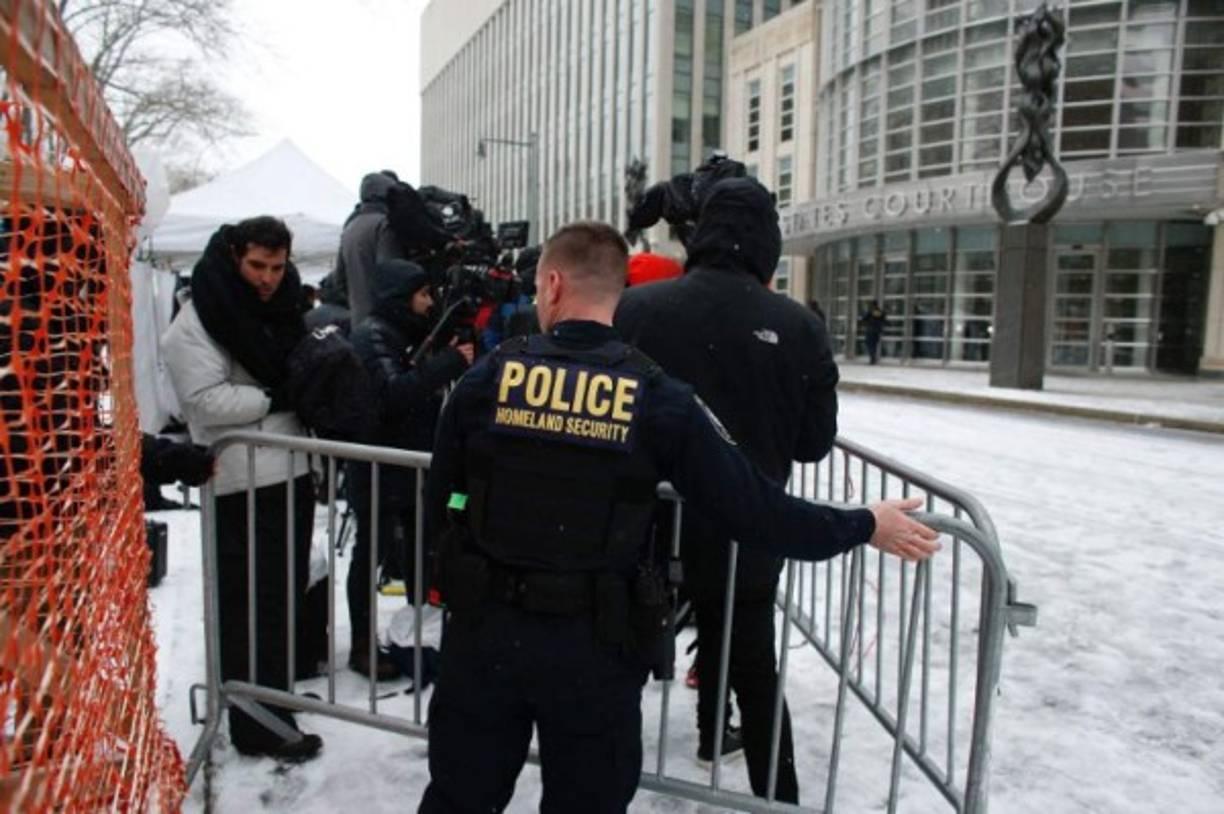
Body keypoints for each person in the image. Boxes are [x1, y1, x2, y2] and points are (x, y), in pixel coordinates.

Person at [417, 221, 939, 813]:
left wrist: (472, 540)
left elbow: (446, 497)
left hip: (485, 635)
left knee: (459, 800)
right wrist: (865, 523)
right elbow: (758, 512)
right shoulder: (659, 398)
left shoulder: (488, 378)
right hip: (593, 645)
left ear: (554, 283)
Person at [615, 177, 839, 801]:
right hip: (745, 531)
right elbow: (814, 443)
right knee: (755, 675)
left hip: (646, 528)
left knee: (619, 664)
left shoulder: (640, 308)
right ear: (767, 240)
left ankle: (601, 784)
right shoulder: (798, 326)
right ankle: (778, 794)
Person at [161, 216, 322, 762]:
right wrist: (277, 397)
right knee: (250, 606)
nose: (268, 278)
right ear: (234, 256)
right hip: (239, 481)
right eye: (257, 265)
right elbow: (203, 401)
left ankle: (270, 703)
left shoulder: (275, 307)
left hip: (288, 472)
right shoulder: (198, 320)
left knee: (279, 601)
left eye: (277, 267)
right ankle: (256, 724)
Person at [346, 259, 473, 679]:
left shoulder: (409, 333)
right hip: (378, 464)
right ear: (400, 297)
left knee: (422, 552)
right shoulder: (372, 335)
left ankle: (421, 635)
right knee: (371, 555)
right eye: (422, 294)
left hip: (412, 464)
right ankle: (363, 647)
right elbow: (392, 394)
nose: (428, 302)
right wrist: (448, 363)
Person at [334, 171, 406, 324]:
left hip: (358, 323)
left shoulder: (349, 228)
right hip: (384, 323)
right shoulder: (384, 225)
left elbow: (339, 280)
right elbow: (391, 276)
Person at [860, 299, 888, 364]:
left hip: (870, 330)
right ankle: (873, 357)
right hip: (877, 331)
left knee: (870, 345)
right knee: (874, 345)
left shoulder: (870, 311)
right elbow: (884, 320)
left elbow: (864, 318)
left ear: (872, 305)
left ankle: (872, 358)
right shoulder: (881, 312)